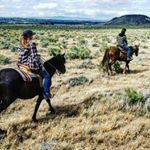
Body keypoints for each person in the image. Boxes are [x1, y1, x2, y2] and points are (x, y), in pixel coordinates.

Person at [17, 29, 50, 99]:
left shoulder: (20, 44)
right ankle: (46, 93)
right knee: (47, 75)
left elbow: (23, 55)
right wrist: (41, 66)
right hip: (30, 66)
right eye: (32, 35)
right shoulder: (32, 44)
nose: (33, 36)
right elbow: (34, 58)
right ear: (29, 36)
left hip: (21, 65)